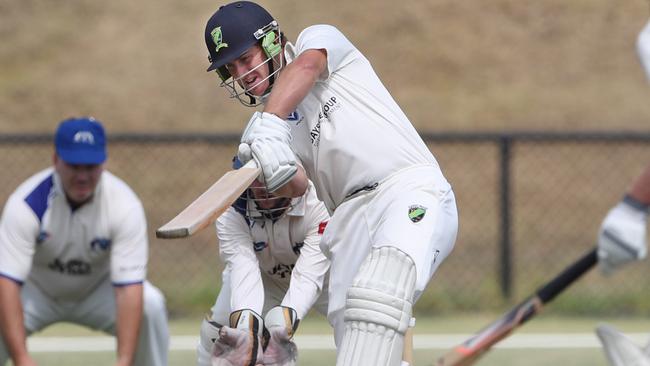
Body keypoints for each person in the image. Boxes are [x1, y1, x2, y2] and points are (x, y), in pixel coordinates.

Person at [203, 2, 459, 365]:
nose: (242, 74)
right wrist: (273, 168)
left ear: (273, 41)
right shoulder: (266, 131)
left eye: (245, 59)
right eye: (231, 68)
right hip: (348, 220)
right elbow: (297, 186)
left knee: (381, 288)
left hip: (406, 186)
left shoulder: (319, 40)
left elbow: (308, 67)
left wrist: (270, 124)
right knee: (358, 336)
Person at [0, 117, 169, 366]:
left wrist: (124, 361)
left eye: (90, 166)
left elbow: (128, 288)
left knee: (151, 305)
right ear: (56, 161)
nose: (82, 176)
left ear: (103, 163)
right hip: (37, 292)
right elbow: (7, 283)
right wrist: (23, 359)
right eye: (74, 165)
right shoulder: (26, 203)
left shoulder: (124, 204)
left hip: (97, 292)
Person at [197, 157, 330, 366]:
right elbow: (244, 268)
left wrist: (282, 325)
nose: (263, 186)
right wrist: (246, 331)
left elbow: (309, 276)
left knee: (360, 323)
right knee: (217, 332)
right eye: (254, 179)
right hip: (264, 275)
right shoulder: (231, 211)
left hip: (326, 275)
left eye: (269, 176)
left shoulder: (319, 201)